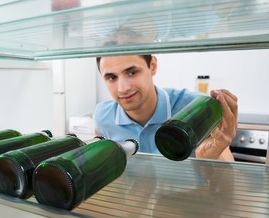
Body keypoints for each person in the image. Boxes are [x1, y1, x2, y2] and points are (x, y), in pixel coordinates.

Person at [93, 54, 238, 161]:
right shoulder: (102, 116)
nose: (123, 88)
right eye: (111, 78)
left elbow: (229, 189)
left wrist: (211, 156)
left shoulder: (195, 109)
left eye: (132, 72)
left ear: (153, 66)